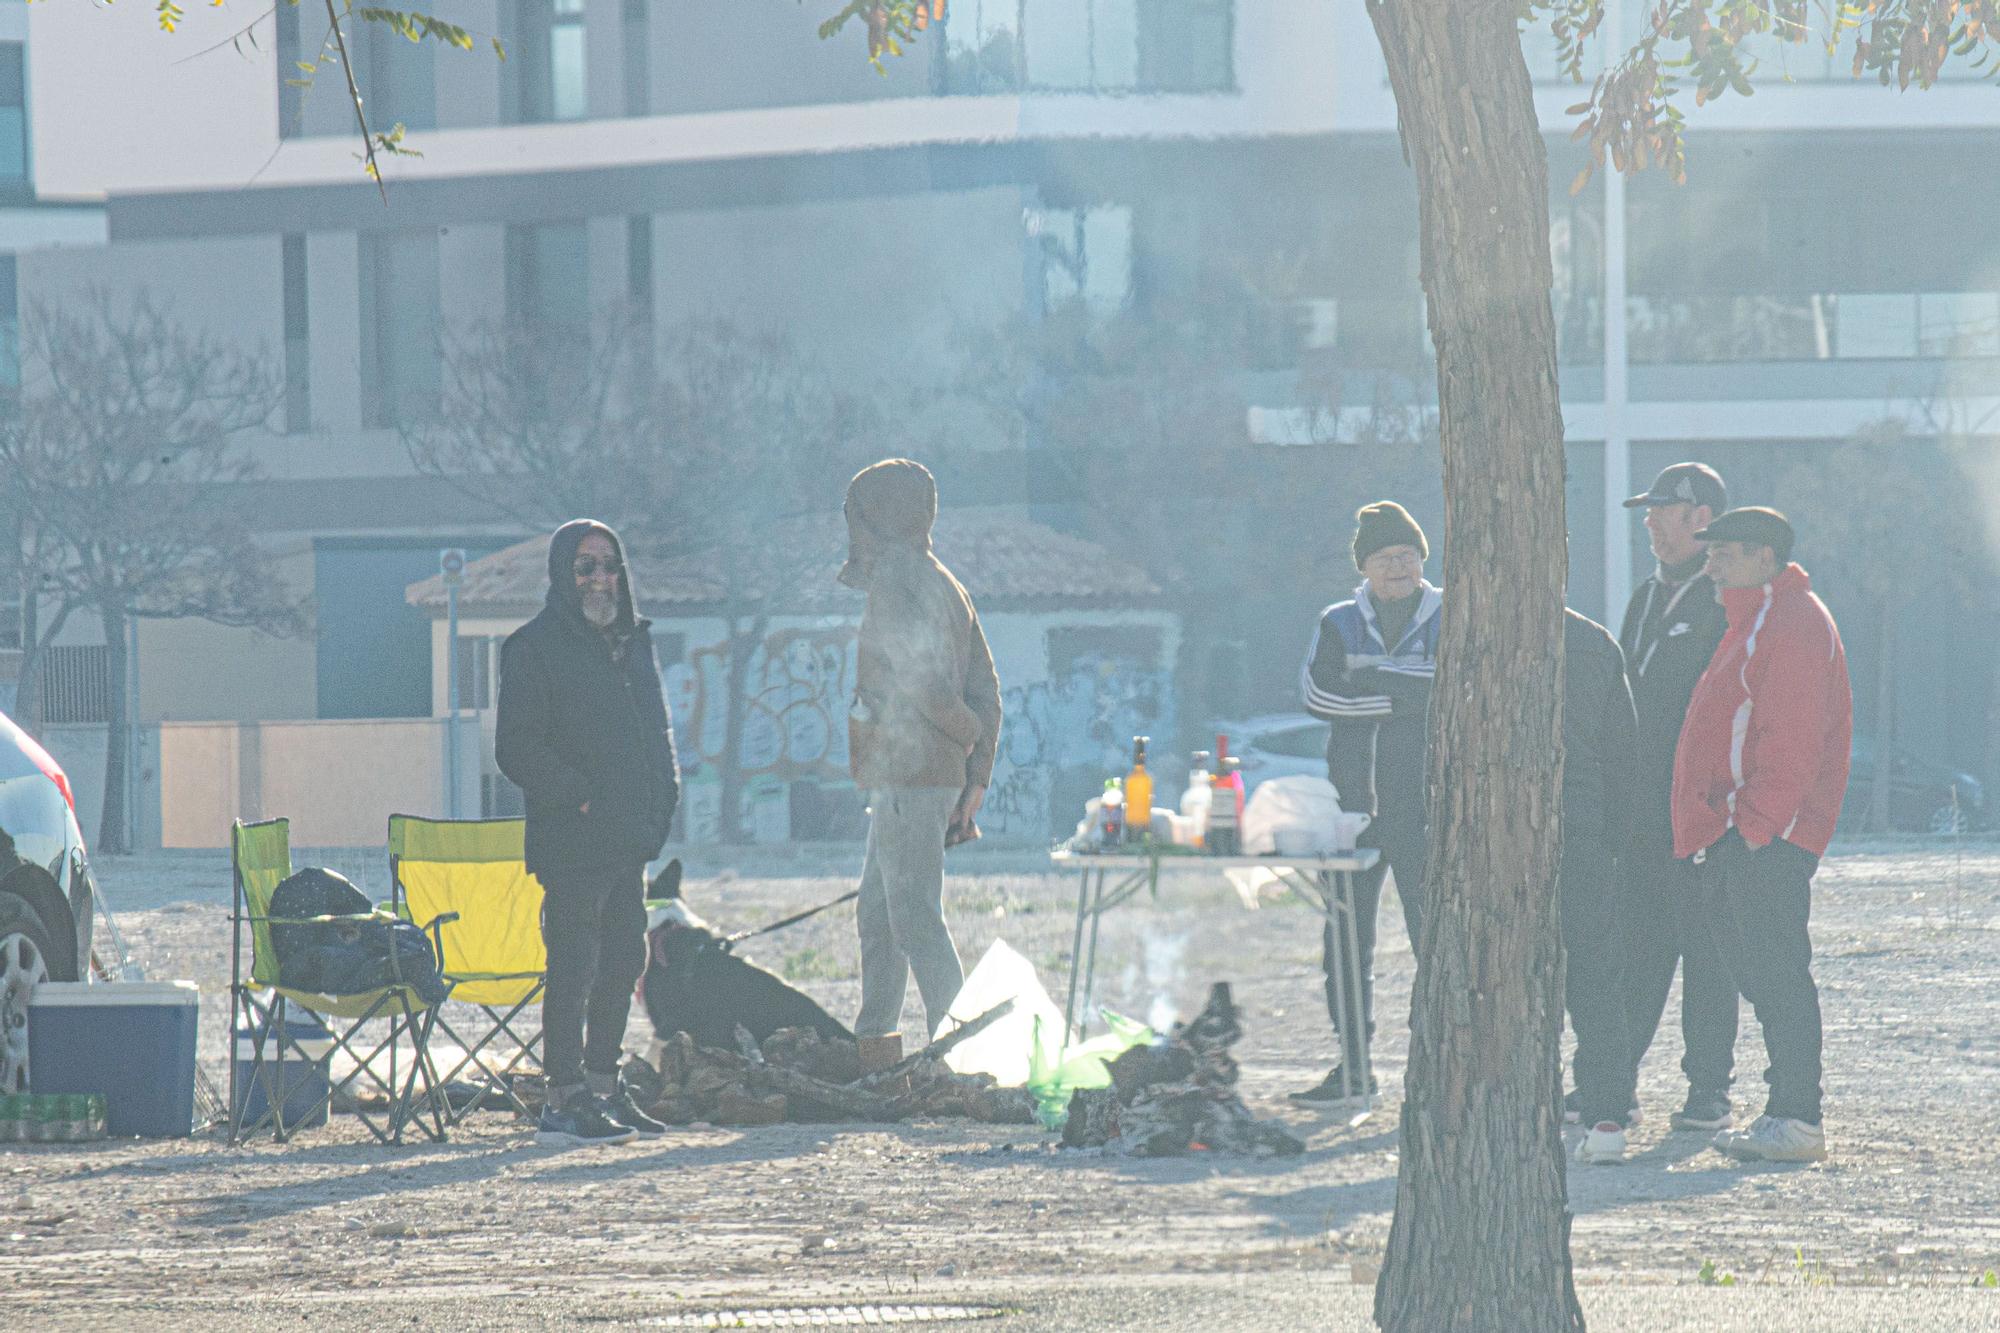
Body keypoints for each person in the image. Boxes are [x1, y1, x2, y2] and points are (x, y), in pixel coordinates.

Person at [1673, 506, 1851, 1163]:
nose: (1710, 565)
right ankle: (1786, 1111)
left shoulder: (1794, 620)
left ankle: (1797, 1117)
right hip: (1739, 830)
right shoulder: (1755, 619)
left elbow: (1793, 735)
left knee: (1777, 971)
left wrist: (1755, 825)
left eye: (1724, 553)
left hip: (1766, 834)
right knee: (1759, 968)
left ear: (1765, 557)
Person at [496, 519, 680, 1147]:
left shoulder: (634, 643)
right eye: (585, 568)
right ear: (562, 576)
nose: (599, 579)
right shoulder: (533, 648)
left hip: (629, 836)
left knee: (623, 961)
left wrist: (664, 800)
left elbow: (658, 735)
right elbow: (516, 748)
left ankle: (604, 1087)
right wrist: (577, 796)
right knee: (573, 966)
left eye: (608, 566)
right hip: (572, 841)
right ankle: (564, 1099)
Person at [840, 459, 1003, 1047]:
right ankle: (874, 1043)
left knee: (912, 917)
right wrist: (975, 773)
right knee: (879, 918)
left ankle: (963, 1048)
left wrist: (962, 741)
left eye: (859, 516)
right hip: (906, 776)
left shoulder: (899, 580)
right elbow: (989, 689)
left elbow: (921, 680)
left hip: (912, 774)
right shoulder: (944, 580)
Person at [1293, 500, 1441, 1103]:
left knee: (1436, 942)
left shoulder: (1449, 613)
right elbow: (1316, 696)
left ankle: (1435, 1068)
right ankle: (1354, 1068)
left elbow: (1457, 691)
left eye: (1407, 555)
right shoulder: (1337, 621)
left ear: (1422, 559)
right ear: (1365, 568)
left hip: (1429, 813)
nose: (1399, 567)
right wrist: (1402, 693)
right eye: (1386, 558)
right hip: (1350, 813)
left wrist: (1371, 679)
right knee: (1345, 947)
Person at [1613, 462, 1742, 1133]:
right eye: (1647, 509)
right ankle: (1614, 1085)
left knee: (1707, 951)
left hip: (1703, 812)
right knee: (1637, 946)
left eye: (1662, 508)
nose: (1650, 521)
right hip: (1642, 815)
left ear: (1700, 516)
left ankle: (1709, 1090)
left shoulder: (1724, 599)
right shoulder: (1644, 598)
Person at [1562, 609, 1642, 1165]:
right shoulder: (1593, 643)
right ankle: (1607, 1113)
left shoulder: (1467, 629)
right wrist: (1615, 840)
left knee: (1503, 977)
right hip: (1581, 829)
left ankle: (1512, 1107)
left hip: (1493, 834)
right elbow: (1623, 755)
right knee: (1595, 977)